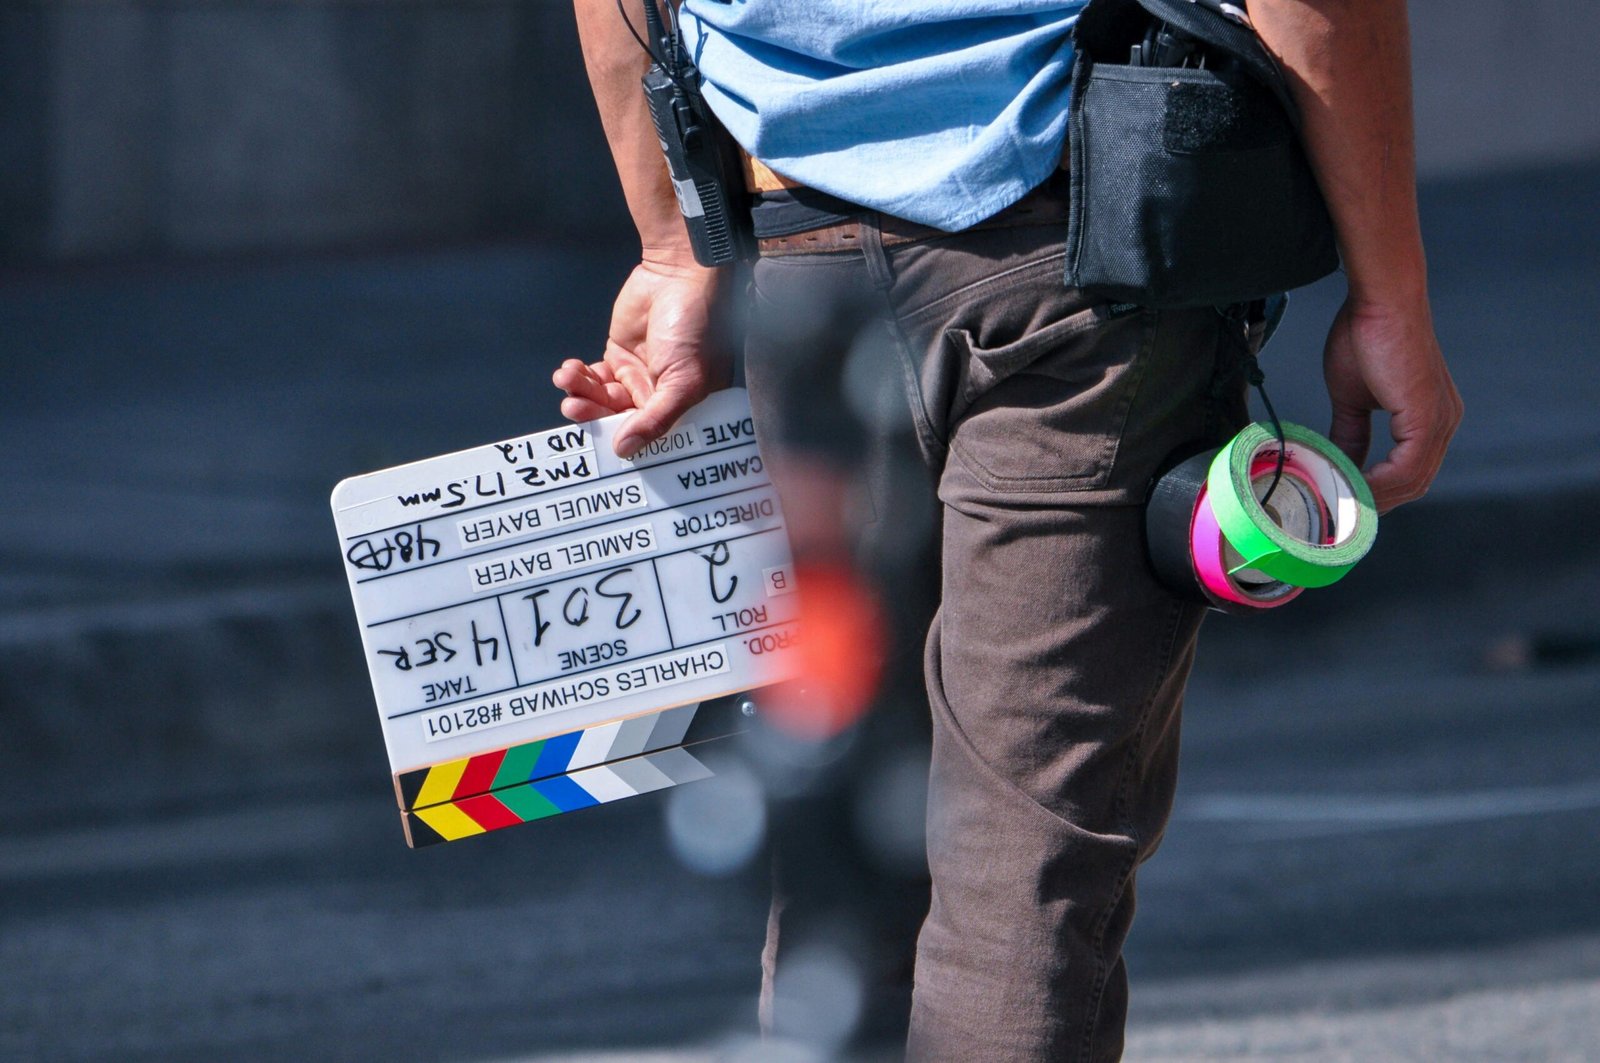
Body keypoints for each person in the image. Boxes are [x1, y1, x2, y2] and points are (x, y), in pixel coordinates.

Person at [557, 1, 1462, 1058]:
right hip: (1073, 261)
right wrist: (1389, 292)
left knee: (838, 861)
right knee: (1021, 864)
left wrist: (675, 244)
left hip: (795, 251)